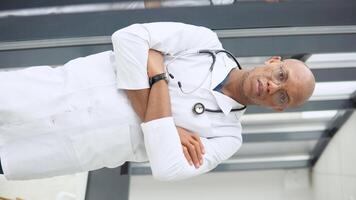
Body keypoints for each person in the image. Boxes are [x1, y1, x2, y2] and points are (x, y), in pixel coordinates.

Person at [0, 22, 315, 181]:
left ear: (279, 107)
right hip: (41, 93)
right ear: (274, 60)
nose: (273, 86)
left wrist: (158, 77)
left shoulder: (227, 137)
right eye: (281, 74)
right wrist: (167, 130)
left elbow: (169, 168)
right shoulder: (205, 42)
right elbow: (128, 38)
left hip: (54, 148)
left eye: (283, 95)